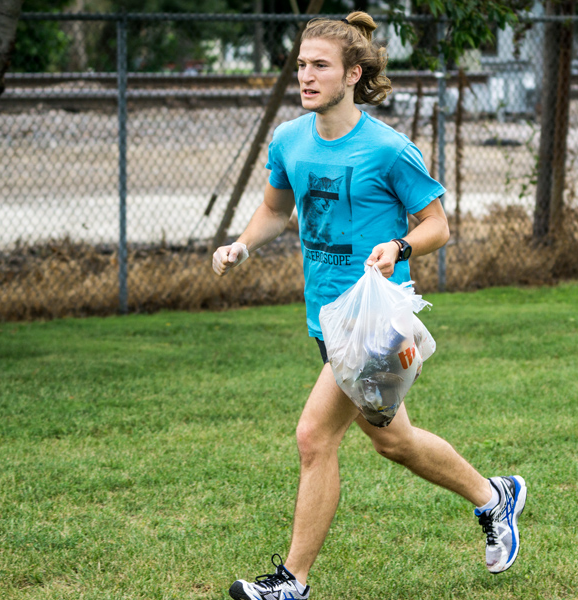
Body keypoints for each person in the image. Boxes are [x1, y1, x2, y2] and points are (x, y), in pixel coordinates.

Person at [212, 12, 526, 600]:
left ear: (352, 74)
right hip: (325, 321)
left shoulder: (388, 150)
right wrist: (241, 244)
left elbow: (438, 225)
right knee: (394, 443)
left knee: (314, 437)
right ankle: (494, 497)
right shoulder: (289, 140)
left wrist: (398, 246)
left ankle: (291, 583)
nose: (306, 76)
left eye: (319, 66)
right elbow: (277, 210)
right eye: (302, 64)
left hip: (379, 325)